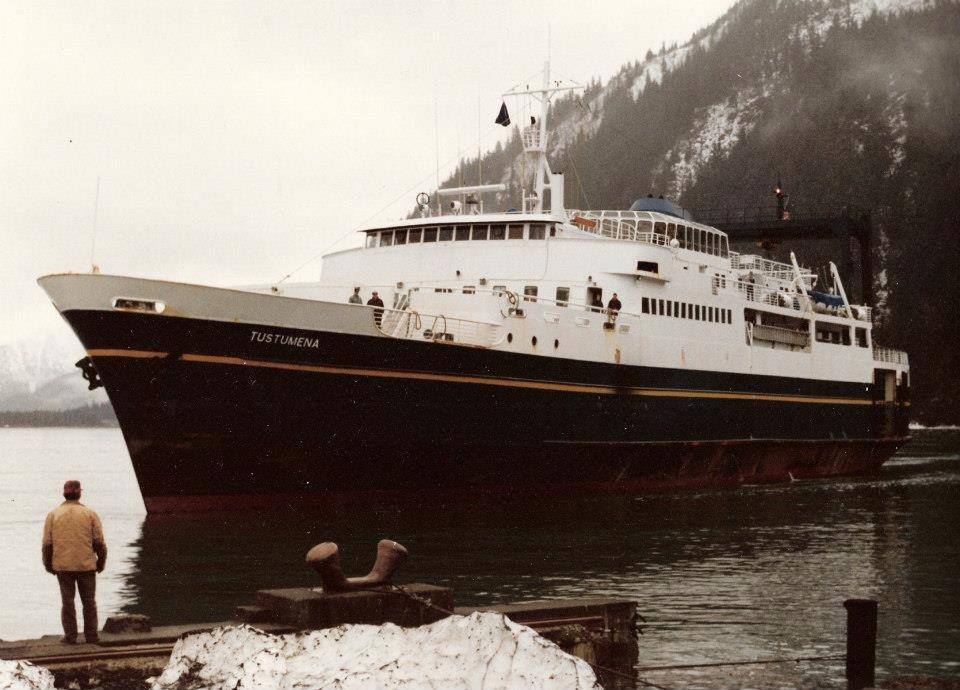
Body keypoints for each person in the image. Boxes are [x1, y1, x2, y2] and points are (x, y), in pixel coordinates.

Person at [42, 480, 107, 644]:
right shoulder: (90, 514)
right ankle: (92, 636)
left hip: (63, 566)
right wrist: (101, 562)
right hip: (86, 565)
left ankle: (70, 636)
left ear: (64, 493)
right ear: (79, 493)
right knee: (89, 603)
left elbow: (47, 544)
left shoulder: (53, 514)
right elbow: (99, 542)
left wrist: (48, 564)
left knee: (67, 603)